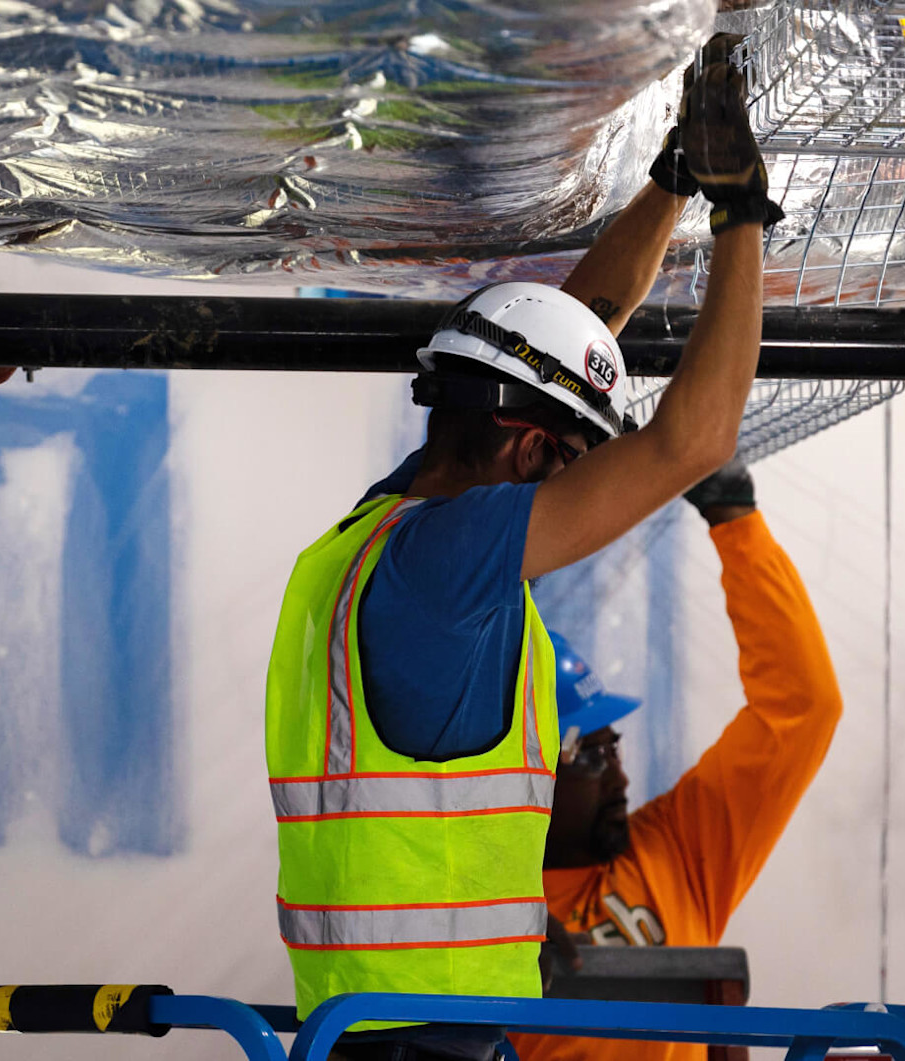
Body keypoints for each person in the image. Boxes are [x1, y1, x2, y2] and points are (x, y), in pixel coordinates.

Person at [262, 34, 784, 1061]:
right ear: (531, 445)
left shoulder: (370, 539)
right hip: (430, 1042)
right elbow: (693, 439)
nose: (576, 496)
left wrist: (674, 181)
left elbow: (568, 329)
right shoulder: (446, 563)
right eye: (571, 465)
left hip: (372, 1030)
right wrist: (742, 216)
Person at [511, 464, 844, 1061]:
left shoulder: (675, 850)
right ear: (527, 778)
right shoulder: (477, 918)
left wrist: (734, 521)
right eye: (592, 755)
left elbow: (803, 706)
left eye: (615, 750)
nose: (622, 778)